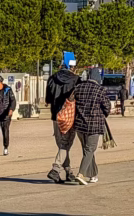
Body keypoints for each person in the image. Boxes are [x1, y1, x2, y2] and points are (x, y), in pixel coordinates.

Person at [70, 68, 111, 185]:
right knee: (90, 149)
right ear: (98, 78)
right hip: (94, 124)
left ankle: (93, 175)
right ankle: (81, 174)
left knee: (87, 150)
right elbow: (107, 106)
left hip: (80, 124)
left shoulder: (78, 88)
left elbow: (70, 100)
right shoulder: (100, 90)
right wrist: (104, 114)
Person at [45, 52, 80, 183]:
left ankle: (69, 171)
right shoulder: (76, 79)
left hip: (55, 116)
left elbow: (48, 99)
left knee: (62, 145)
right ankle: (56, 169)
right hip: (70, 116)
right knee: (66, 144)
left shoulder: (52, 78)